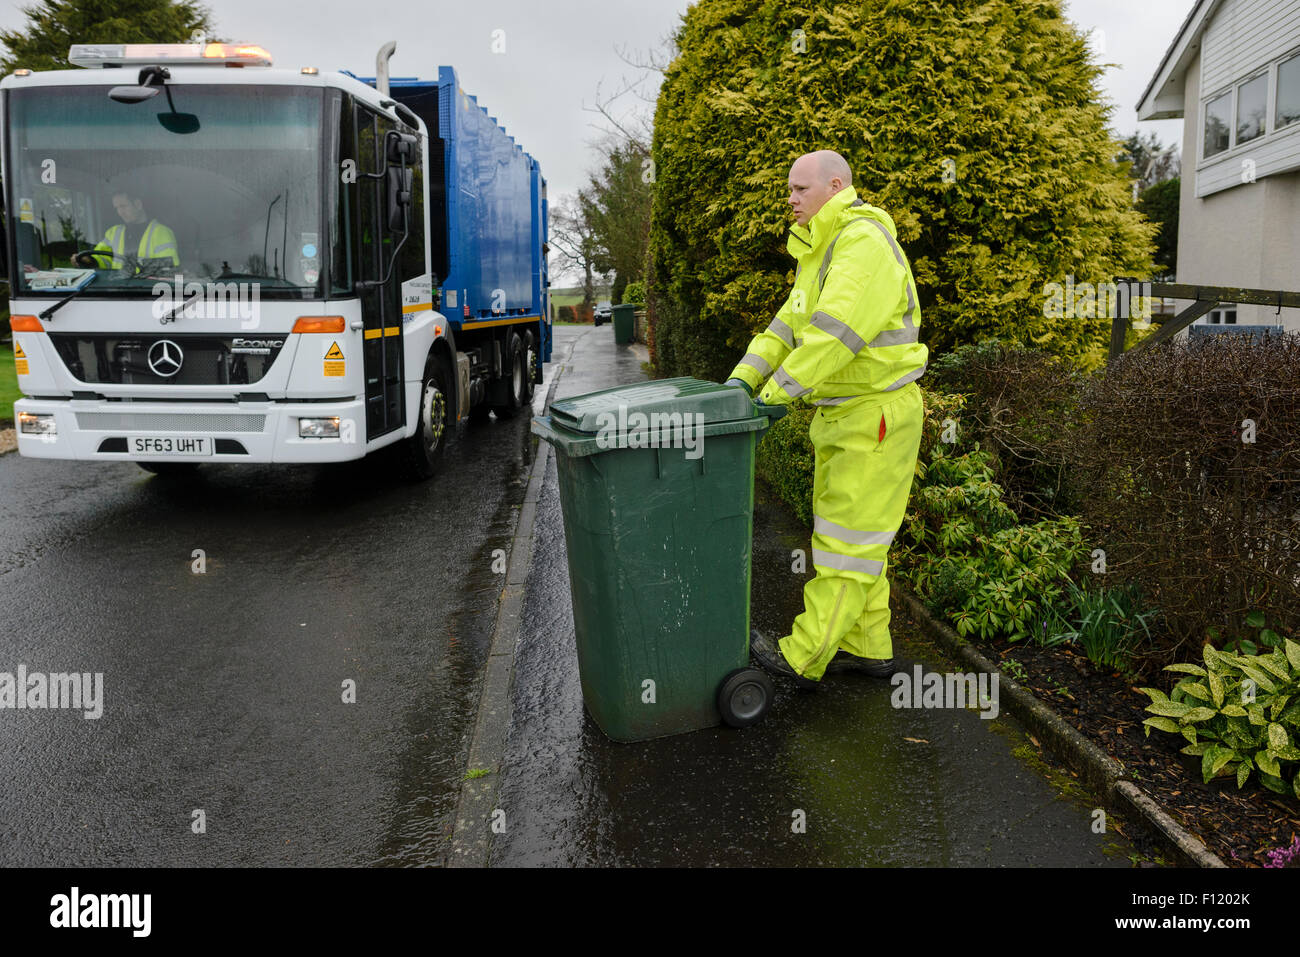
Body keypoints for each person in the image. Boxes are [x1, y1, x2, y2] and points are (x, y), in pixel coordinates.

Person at [725, 150, 929, 690]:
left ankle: (802, 656)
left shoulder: (861, 243)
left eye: (799, 188)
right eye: (788, 189)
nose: (789, 198)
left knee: (847, 549)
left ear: (835, 185)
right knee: (851, 538)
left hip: (876, 414)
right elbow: (788, 326)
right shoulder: (822, 249)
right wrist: (741, 382)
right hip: (852, 413)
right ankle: (867, 647)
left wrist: (774, 396)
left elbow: (833, 336)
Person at [77, 192, 179, 271]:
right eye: (117, 208)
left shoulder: (162, 233)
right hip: (117, 292)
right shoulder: (113, 232)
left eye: (123, 206)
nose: (120, 212)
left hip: (147, 293)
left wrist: (134, 268)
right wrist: (89, 260)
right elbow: (103, 259)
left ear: (138, 204)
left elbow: (168, 267)